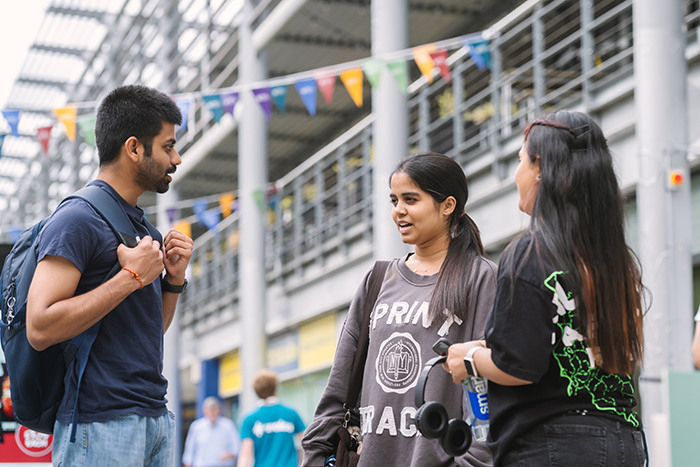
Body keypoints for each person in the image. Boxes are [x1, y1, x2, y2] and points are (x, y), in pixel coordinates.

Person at [444, 111, 647, 466]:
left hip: (553, 443)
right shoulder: (616, 263)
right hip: (625, 441)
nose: (516, 175)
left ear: (540, 169)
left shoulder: (530, 252)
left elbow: (519, 365)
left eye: (521, 160)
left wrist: (469, 358)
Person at [25, 84, 193, 466]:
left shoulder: (145, 232)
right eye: (168, 146)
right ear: (134, 148)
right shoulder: (77, 219)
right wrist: (130, 277)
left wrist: (173, 281)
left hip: (154, 419)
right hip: (98, 424)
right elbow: (39, 326)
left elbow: (149, 332)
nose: (177, 158)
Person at [302, 152, 497, 467]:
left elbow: (485, 389)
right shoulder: (378, 279)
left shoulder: (480, 277)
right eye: (394, 200)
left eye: (411, 199)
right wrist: (313, 455)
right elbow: (339, 383)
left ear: (447, 205)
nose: (398, 211)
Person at [237, 369, 306, 467]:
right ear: (275, 389)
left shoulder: (249, 419)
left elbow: (246, 454)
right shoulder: (291, 413)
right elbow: (305, 442)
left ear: (256, 391)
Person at [183, 396, 241, 467]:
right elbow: (188, 453)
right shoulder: (196, 427)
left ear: (219, 410)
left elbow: (237, 447)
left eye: (214, 410)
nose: (212, 413)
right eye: (210, 410)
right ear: (204, 411)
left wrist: (229, 454)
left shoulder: (228, 425)